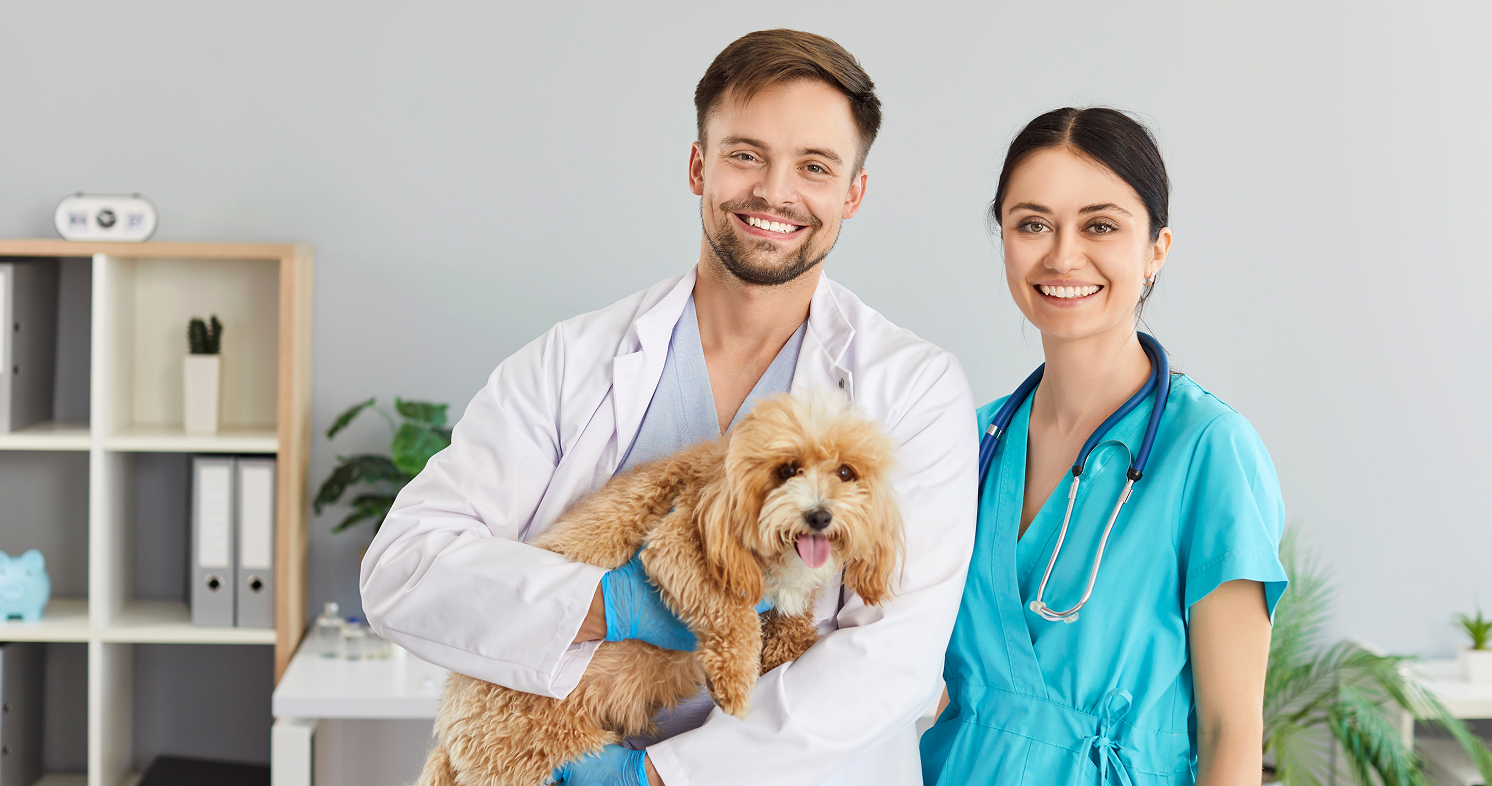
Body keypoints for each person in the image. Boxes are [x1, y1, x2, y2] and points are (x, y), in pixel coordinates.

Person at [360, 29, 977, 786]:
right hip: (559, 756)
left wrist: (656, 779)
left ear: (852, 192)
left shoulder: (911, 386)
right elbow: (402, 568)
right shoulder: (571, 364)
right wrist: (612, 606)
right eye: (745, 154)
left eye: (814, 166)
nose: (775, 192)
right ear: (699, 166)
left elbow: (894, 657)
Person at [919, 108, 1288, 786]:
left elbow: (1229, 731)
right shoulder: (965, 440)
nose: (1062, 255)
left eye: (1100, 225)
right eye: (1032, 224)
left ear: (1156, 250)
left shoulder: (1209, 451)